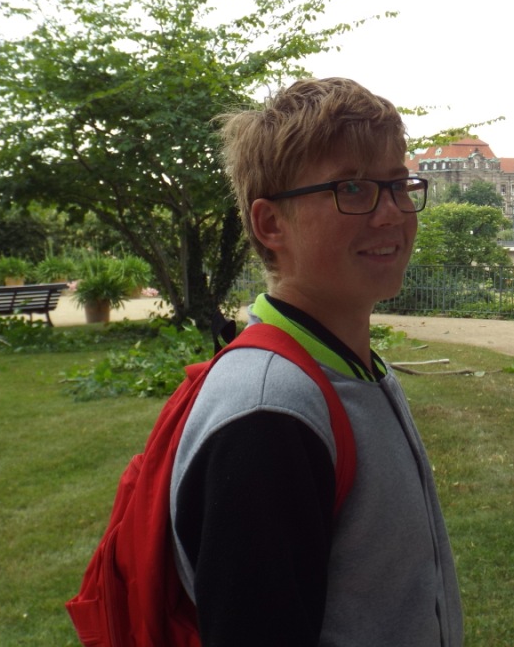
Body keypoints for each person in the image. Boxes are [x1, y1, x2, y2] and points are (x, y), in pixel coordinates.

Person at [169, 78, 463, 646]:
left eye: (398, 185)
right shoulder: (269, 416)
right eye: (352, 187)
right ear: (271, 224)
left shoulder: (347, 367)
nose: (392, 213)